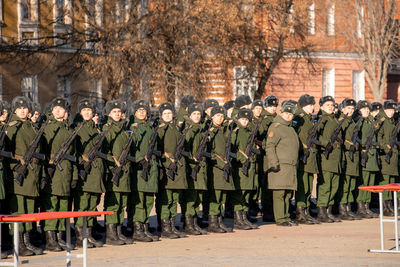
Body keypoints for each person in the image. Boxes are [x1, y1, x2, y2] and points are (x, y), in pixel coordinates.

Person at [6, 96, 43, 256]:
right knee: (19, 210)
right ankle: (18, 243)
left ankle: (27, 242)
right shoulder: (11, 128)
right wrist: (17, 167)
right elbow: (7, 153)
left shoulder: (32, 127)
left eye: (25, 108)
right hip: (18, 175)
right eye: (19, 108)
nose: (22, 110)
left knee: (29, 210)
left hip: (31, 174)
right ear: (14, 110)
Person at [41, 97, 78, 251]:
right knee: (51, 205)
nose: (57, 110)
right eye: (55, 108)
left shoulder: (70, 130)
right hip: (52, 172)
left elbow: (74, 155)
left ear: (66, 112)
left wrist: (74, 176)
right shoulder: (46, 128)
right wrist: (43, 174)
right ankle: (50, 239)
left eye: (61, 108)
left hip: (66, 172)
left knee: (63, 206)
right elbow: (41, 153)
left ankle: (60, 237)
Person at [73, 99, 105, 248]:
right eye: (84, 110)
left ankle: (89, 234)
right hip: (84, 172)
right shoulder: (77, 128)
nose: (87, 112)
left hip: (95, 172)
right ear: (80, 113)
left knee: (93, 204)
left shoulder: (95, 129)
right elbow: (74, 150)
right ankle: (80, 236)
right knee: (83, 204)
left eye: (89, 110)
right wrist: (82, 162)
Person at [103, 100, 133, 245]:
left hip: (125, 172)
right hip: (114, 171)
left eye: (119, 112)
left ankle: (118, 231)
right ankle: (110, 233)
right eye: (114, 112)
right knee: (113, 203)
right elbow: (104, 151)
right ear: (109, 113)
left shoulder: (123, 130)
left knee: (122, 203)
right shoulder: (108, 129)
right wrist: (112, 165)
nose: (117, 114)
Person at [156, 102, 188, 239]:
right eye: (165, 113)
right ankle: (165, 227)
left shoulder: (176, 129)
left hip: (177, 169)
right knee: (166, 198)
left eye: (170, 113)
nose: (168, 115)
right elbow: (157, 150)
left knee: (174, 199)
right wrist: (167, 162)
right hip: (167, 168)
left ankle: (172, 225)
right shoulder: (160, 130)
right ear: (161, 115)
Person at [130, 100, 160, 242]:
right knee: (139, 200)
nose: (142, 112)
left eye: (144, 110)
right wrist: (140, 158)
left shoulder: (150, 128)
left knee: (148, 200)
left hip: (152, 167)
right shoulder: (133, 127)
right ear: (135, 113)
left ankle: (144, 226)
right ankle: (137, 230)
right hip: (140, 167)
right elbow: (130, 147)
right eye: (139, 110)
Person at [265, 101, 299, 226]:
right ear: (282, 113)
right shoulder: (276, 127)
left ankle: (286, 217)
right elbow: (270, 146)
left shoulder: (290, 128)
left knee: (288, 194)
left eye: (291, 114)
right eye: (286, 113)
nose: (288, 116)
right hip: (280, 166)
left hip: (290, 166)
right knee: (279, 194)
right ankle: (280, 219)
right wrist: (274, 163)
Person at [207, 106, 235, 233]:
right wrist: (221, 163)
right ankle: (213, 222)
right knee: (215, 197)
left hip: (225, 167)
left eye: (222, 116)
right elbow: (210, 153)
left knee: (222, 197)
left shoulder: (225, 131)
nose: (220, 118)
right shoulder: (210, 132)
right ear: (212, 117)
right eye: (218, 115)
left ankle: (219, 221)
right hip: (216, 169)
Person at [293, 94, 320, 224]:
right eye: (310, 105)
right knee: (302, 185)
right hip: (303, 156)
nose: (313, 107)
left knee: (309, 185)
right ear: (304, 106)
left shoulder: (309, 118)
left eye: (313, 104)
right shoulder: (299, 118)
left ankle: (307, 211)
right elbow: (296, 137)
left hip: (310, 155)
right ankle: (300, 213)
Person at [316, 96, 343, 223]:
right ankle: (321, 211)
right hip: (326, 158)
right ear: (321, 107)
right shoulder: (322, 119)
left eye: (332, 105)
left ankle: (329, 210)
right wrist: (326, 143)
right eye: (328, 105)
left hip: (335, 158)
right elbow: (315, 135)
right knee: (325, 185)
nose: (331, 107)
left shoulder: (334, 119)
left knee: (334, 185)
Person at [183, 103, 208, 235]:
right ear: (190, 115)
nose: (197, 116)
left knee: (198, 197)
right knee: (191, 197)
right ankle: (189, 224)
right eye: (195, 114)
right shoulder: (189, 129)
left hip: (199, 167)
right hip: (192, 167)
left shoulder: (200, 129)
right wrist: (192, 162)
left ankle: (194, 223)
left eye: (199, 114)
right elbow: (184, 149)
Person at [231, 109, 258, 230]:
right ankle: (238, 220)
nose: (245, 122)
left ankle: (244, 217)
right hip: (240, 167)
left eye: (247, 120)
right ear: (238, 119)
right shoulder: (235, 132)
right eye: (243, 119)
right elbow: (231, 150)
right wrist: (242, 158)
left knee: (246, 194)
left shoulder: (249, 131)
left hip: (250, 167)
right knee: (239, 194)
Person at [355, 100, 379, 218]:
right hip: (364, 153)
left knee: (370, 182)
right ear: (359, 110)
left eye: (368, 109)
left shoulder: (371, 121)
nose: (367, 110)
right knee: (363, 182)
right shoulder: (359, 122)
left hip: (373, 155)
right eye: (364, 109)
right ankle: (361, 207)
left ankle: (367, 206)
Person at [377, 100, 399, 216]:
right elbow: (378, 137)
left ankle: (390, 205)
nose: (391, 112)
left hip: (393, 155)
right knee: (385, 182)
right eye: (389, 110)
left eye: (393, 110)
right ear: (385, 110)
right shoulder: (382, 120)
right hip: (386, 156)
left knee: (391, 182)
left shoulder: (392, 121)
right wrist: (385, 148)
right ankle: (385, 207)